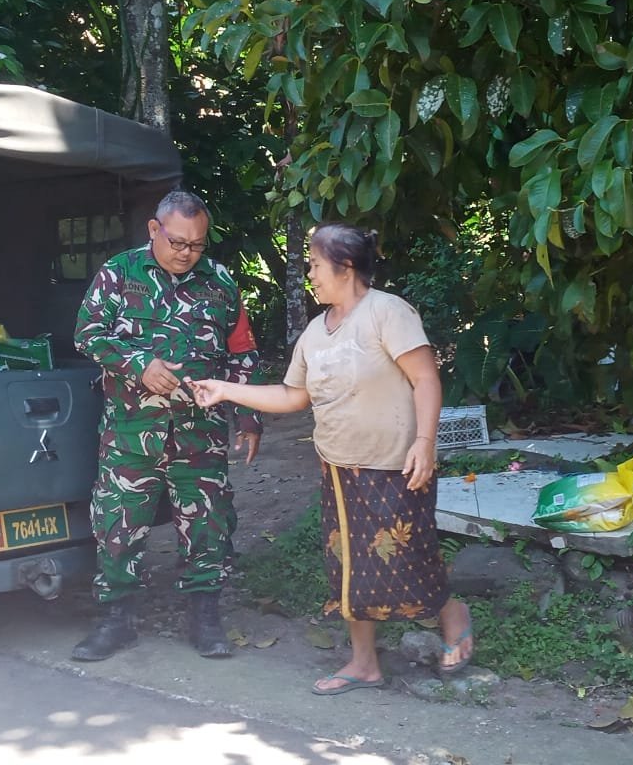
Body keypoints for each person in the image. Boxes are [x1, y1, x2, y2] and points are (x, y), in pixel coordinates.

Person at [187, 223, 476, 694]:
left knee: (409, 558)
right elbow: (292, 395)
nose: (310, 275)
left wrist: (425, 442)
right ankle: (364, 663)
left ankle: (452, 614)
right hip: (339, 470)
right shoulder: (315, 333)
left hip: (396, 465)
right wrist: (224, 390)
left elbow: (425, 378)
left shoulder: (387, 312)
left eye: (315, 265)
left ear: (344, 267)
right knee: (349, 570)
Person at [71, 189, 262, 661]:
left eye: (197, 245)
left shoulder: (220, 282)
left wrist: (249, 417)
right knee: (117, 527)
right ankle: (116, 621)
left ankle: (204, 619)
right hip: (131, 433)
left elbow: (242, 352)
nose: (186, 253)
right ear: (154, 230)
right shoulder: (119, 273)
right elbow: (87, 334)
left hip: (200, 434)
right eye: (178, 242)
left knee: (208, 526)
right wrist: (138, 365)